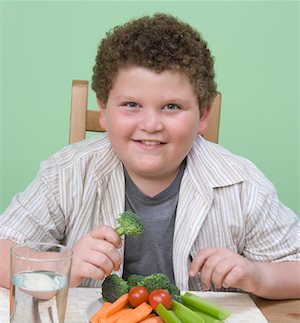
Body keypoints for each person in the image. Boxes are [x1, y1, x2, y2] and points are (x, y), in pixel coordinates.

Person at [0, 13, 299, 299]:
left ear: (203, 116)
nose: (151, 125)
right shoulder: (66, 173)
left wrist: (258, 275)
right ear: (103, 111)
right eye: (131, 105)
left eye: (171, 107)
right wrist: (61, 265)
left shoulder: (243, 186)